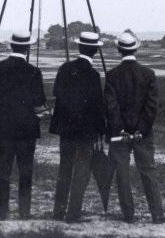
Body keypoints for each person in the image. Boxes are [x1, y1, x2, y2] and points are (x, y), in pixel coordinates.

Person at [104, 31, 165, 224]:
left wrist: (120, 129)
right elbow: (151, 106)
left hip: (119, 135)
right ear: (137, 49)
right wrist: (142, 129)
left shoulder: (112, 75)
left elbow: (111, 106)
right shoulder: (148, 74)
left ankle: (128, 214)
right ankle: (157, 213)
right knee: (148, 170)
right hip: (143, 134)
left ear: (118, 50)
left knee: (122, 173)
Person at [0, 32, 46, 220]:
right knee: (26, 171)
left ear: (11, 46)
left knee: (3, 171)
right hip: (27, 128)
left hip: (4, 127)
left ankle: (2, 212)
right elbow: (40, 100)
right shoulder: (34, 71)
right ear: (27, 48)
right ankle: (24, 211)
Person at [50, 31, 106, 222]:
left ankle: (58, 211)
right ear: (95, 51)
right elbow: (97, 105)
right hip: (85, 131)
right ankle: (73, 213)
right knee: (81, 171)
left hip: (66, 128)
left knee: (64, 168)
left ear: (80, 47)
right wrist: (101, 130)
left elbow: (57, 92)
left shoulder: (65, 68)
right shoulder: (93, 75)